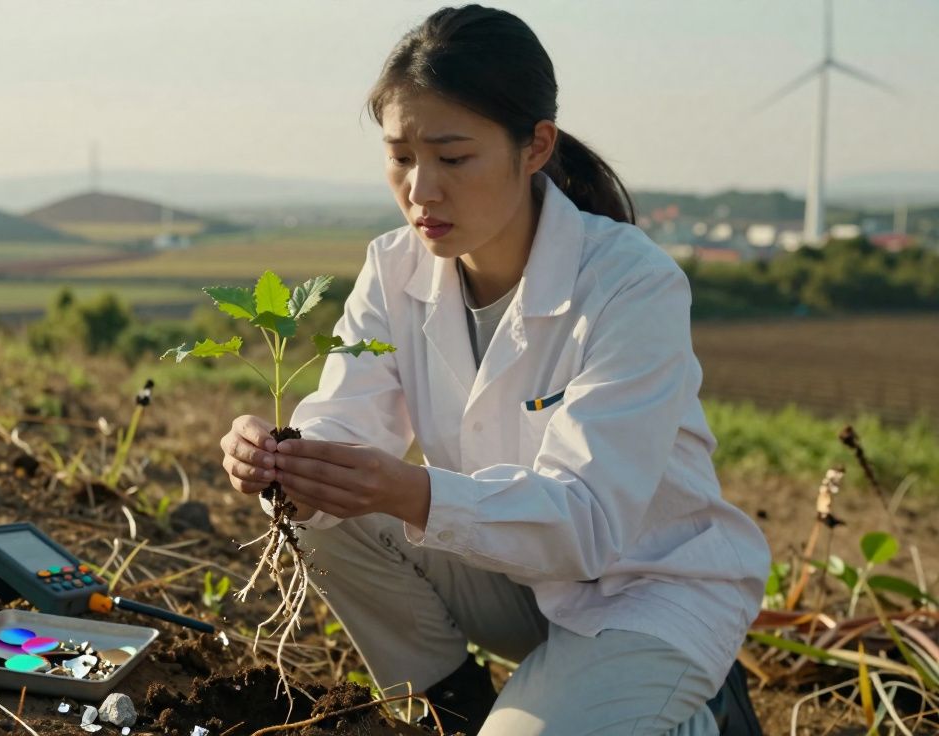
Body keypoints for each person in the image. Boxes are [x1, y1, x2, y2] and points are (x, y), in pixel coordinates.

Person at [218, 6, 770, 736]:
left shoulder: (631, 283)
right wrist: (282, 461)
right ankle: (458, 716)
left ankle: (690, 715)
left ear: (535, 145)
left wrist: (413, 490)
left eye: (453, 158)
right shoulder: (394, 267)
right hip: (519, 584)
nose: (421, 190)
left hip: (647, 593)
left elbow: (589, 521)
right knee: (329, 513)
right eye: (400, 156)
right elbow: (344, 425)